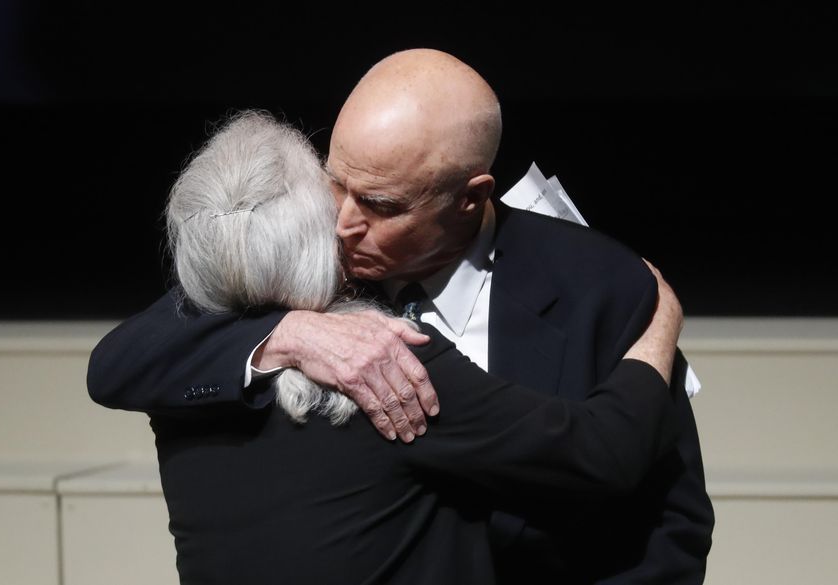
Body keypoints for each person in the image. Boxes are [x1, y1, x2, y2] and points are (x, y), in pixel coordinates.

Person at [88, 49, 713, 583]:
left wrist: (658, 325)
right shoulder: (308, 272)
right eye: (337, 185)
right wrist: (289, 332)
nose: (342, 223)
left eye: (382, 204)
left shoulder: (600, 284)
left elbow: (667, 518)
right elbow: (124, 357)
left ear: (470, 197)